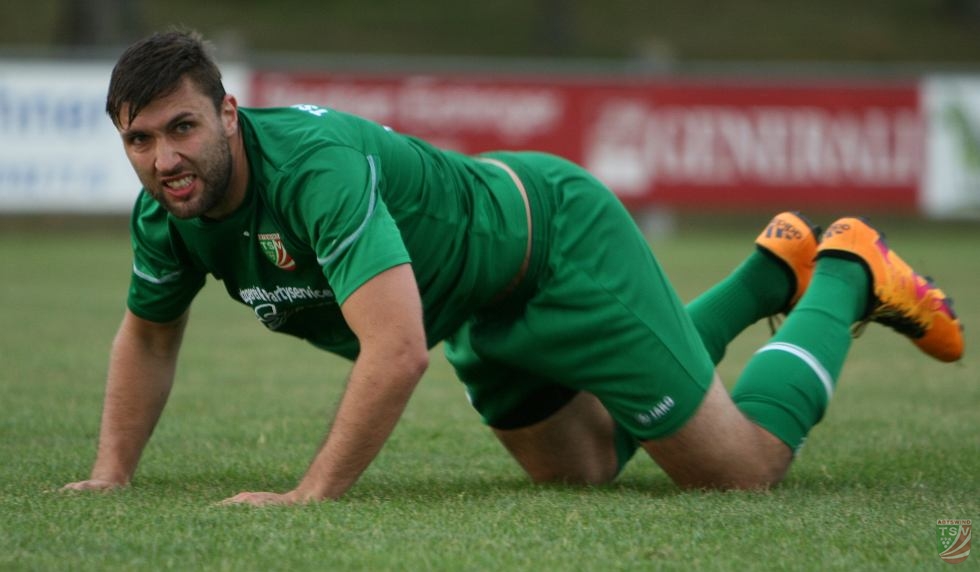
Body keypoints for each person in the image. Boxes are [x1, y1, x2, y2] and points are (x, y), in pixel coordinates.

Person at [63, 29, 964, 506]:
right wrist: (111, 473)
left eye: (181, 128)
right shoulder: (167, 214)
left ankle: (846, 264)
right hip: (479, 313)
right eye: (138, 140)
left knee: (739, 471)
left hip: (556, 249)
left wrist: (310, 495)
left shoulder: (312, 169)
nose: (162, 158)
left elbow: (398, 349)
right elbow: (148, 333)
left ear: (226, 112)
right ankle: (770, 276)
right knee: (586, 471)